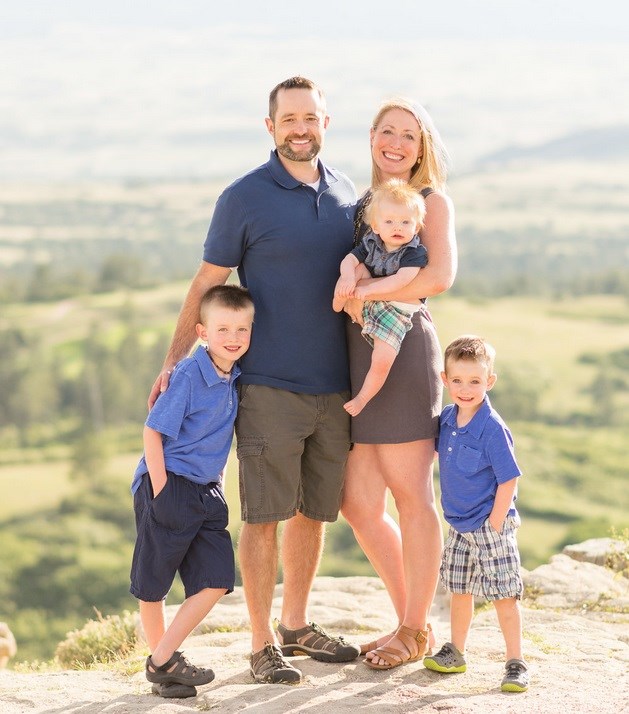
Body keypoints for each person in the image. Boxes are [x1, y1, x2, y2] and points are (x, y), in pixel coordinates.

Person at [148, 76, 360, 685]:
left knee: (313, 513)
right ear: (270, 127)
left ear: (325, 123)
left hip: (335, 389)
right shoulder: (243, 197)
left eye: (311, 118)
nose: (301, 128)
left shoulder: (348, 193)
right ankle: (262, 642)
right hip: (267, 384)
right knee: (264, 515)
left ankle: (296, 625)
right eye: (289, 119)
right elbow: (207, 284)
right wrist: (171, 363)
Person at [340, 97, 457, 670]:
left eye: (408, 135)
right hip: (358, 357)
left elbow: (438, 275)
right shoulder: (366, 205)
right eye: (386, 131)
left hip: (404, 350)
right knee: (358, 503)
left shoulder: (430, 202)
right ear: (370, 138)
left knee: (411, 493)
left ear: (422, 147)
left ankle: (412, 629)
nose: (395, 142)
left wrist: (361, 294)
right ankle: (413, 621)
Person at [131, 285, 255, 699]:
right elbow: (152, 430)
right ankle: (166, 669)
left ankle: (162, 658)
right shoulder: (187, 374)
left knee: (217, 579)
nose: (234, 337)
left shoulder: (235, 374)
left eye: (242, 329)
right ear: (202, 332)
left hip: (207, 491)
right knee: (154, 583)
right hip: (169, 484)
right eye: (223, 329)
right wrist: (164, 492)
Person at [424, 335, 529, 693]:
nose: (465, 389)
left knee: (503, 593)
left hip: (489, 524)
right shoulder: (448, 419)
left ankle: (515, 662)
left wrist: (496, 523)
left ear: (490, 382)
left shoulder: (492, 427)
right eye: (457, 380)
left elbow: (509, 478)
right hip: (458, 525)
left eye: (475, 381)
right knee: (459, 589)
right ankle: (456, 650)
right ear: (444, 379)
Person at [333, 178, 427, 416]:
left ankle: (363, 398)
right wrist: (347, 278)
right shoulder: (372, 242)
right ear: (376, 226)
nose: (398, 228)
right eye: (390, 222)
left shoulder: (414, 252)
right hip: (371, 300)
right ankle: (340, 299)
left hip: (397, 311)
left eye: (406, 222)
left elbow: (401, 281)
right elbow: (349, 259)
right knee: (356, 269)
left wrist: (366, 291)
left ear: (416, 227)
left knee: (382, 359)